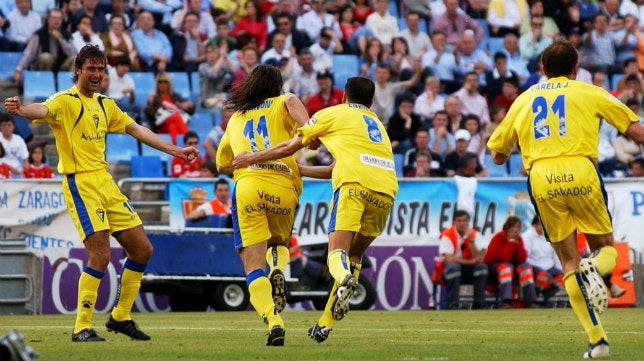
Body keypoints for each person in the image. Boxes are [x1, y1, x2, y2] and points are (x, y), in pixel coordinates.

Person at [3, 44, 199, 342]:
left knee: (143, 249)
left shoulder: (106, 105)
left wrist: (176, 150)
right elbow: (41, 110)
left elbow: (137, 130)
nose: (96, 74)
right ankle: (82, 327)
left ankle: (120, 317)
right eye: (90, 68)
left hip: (106, 181)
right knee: (100, 254)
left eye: (100, 69)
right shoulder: (64, 100)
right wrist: (21, 109)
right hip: (81, 183)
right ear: (78, 70)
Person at [487, 38, 644, 358]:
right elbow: (637, 133)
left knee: (568, 262)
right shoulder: (588, 90)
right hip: (581, 168)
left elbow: (496, 156)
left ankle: (597, 340)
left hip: (541, 176)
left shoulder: (523, 99)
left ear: (542, 69)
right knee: (606, 249)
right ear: (576, 68)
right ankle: (594, 267)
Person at [232, 76, 398, 344]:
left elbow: (290, 145)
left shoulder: (334, 113)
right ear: (370, 102)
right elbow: (332, 168)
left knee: (337, 253)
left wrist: (252, 157)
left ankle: (344, 278)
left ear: (344, 96)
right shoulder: (377, 125)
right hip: (386, 191)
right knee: (355, 254)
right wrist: (299, 171)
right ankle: (324, 325)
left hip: (353, 186)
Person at [215, 64, 311, 346]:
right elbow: (308, 129)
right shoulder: (286, 101)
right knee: (279, 242)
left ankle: (273, 320)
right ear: (277, 85)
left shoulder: (236, 117)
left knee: (253, 264)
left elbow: (222, 163)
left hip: (248, 187)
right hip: (283, 183)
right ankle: (279, 268)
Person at [483, 215, 540, 309]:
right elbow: (504, 258)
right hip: (494, 267)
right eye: (513, 226)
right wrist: (511, 242)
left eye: (518, 227)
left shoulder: (519, 239)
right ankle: (506, 301)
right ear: (507, 227)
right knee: (506, 267)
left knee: (525, 267)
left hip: (511, 266)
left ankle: (531, 301)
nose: (515, 229)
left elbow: (522, 258)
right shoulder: (499, 237)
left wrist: (516, 243)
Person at [436, 210, 488, 310]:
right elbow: (449, 258)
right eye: (459, 221)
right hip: (452, 269)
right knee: (453, 268)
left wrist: (471, 241)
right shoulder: (447, 235)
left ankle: (479, 304)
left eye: (464, 221)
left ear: (468, 222)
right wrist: (470, 262)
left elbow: (480, 257)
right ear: (454, 222)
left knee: (482, 268)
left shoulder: (474, 234)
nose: (462, 223)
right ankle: (454, 305)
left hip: (469, 269)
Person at [13, 8, 76, 83]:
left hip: (60, 67)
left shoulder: (66, 34)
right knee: (46, 57)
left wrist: (60, 39)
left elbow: (73, 54)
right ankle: (45, 84)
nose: (56, 20)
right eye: (54, 18)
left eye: (59, 18)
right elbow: (28, 54)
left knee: (75, 58)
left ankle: (71, 87)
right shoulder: (39, 34)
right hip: (42, 67)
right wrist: (18, 70)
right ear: (48, 19)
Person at [522, 215, 564, 306]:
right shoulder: (527, 236)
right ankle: (536, 299)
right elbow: (525, 257)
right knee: (545, 277)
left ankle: (551, 300)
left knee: (562, 277)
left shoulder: (548, 235)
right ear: (537, 225)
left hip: (549, 266)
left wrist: (560, 268)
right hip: (534, 266)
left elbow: (555, 254)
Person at [144, 71, 195, 144]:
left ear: (169, 83)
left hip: (174, 125)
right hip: (161, 126)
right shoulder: (154, 98)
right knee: (176, 117)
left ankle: (176, 150)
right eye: (160, 82)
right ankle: (189, 142)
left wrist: (189, 106)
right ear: (157, 84)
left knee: (172, 126)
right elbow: (150, 116)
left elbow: (191, 111)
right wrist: (150, 105)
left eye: (165, 82)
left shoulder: (176, 97)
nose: (162, 84)